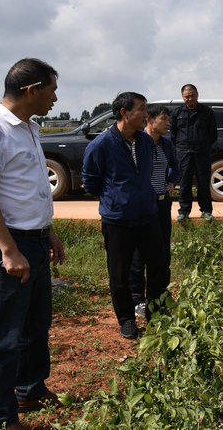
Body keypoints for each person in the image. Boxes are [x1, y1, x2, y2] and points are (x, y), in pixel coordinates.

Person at [0, 58, 66, 430]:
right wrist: (8, 250)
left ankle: (30, 390)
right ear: (31, 90)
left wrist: (48, 230)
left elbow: (29, 188)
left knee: (36, 326)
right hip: (5, 245)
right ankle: (1, 418)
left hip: (34, 242)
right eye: (51, 90)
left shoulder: (29, 129)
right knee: (3, 337)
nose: (55, 98)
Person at [82, 92, 169, 339]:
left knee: (158, 267)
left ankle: (155, 314)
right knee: (119, 274)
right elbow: (90, 182)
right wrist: (115, 200)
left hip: (148, 216)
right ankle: (127, 319)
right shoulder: (100, 145)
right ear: (124, 113)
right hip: (117, 221)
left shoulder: (144, 141)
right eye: (141, 109)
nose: (146, 115)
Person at [129, 104, 178, 315]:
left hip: (162, 204)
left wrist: (171, 182)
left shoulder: (166, 145)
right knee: (139, 255)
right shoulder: (138, 144)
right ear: (149, 120)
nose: (168, 123)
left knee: (162, 252)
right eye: (164, 119)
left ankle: (159, 294)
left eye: (168, 120)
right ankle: (138, 299)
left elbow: (175, 165)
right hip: (142, 206)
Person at [170, 83, 217, 222]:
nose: (190, 99)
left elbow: (213, 134)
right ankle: (183, 212)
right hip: (183, 153)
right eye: (187, 96)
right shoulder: (177, 113)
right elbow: (173, 134)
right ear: (182, 97)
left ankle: (206, 211)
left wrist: (205, 147)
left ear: (197, 95)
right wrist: (178, 149)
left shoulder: (207, 112)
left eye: (192, 96)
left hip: (201, 153)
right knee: (184, 183)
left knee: (203, 183)